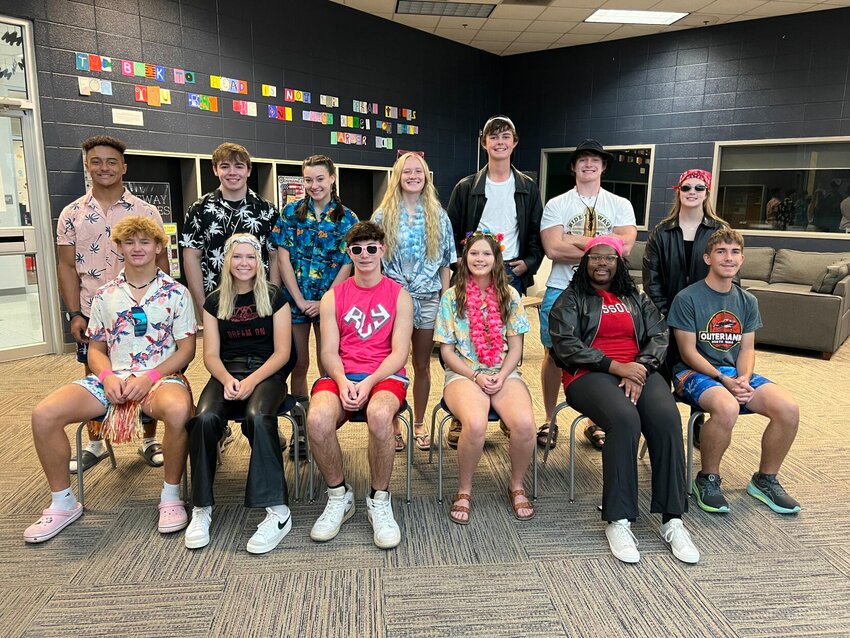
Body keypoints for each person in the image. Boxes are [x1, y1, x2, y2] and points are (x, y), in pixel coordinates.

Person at [25, 216, 196, 543]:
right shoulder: (105, 295)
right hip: (111, 379)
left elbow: (186, 350)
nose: (137, 248)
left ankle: (171, 495)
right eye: (129, 242)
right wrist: (104, 377)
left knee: (178, 411)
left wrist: (149, 377)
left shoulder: (176, 293)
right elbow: (95, 349)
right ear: (118, 247)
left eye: (145, 242)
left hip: (160, 378)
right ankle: (63, 503)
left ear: (159, 246)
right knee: (43, 414)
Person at [548, 236, 698, 564]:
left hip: (638, 370)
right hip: (588, 375)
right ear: (585, 262)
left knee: (666, 418)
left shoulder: (635, 297)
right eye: (595, 258)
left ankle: (673, 520)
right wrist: (618, 367)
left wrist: (640, 369)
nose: (602, 263)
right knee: (625, 419)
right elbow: (565, 346)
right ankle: (619, 520)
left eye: (609, 258)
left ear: (619, 262)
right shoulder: (570, 299)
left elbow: (659, 335)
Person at [667, 228, 801, 515]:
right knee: (727, 407)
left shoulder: (747, 301)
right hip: (691, 373)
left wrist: (742, 378)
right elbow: (688, 352)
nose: (729, 257)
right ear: (708, 258)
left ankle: (765, 479)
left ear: (742, 258)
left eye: (735, 252)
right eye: (721, 251)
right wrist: (724, 380)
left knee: (788, 408)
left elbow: (747, 349)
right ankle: (708, 478)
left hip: (732, 373)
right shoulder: (687, 298)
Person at [57, 135, 168, 473]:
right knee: (97, 373)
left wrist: (165, 308)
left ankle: (149, 439)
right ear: (87, 165)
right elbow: (65, 266)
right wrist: (74, 312)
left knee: (148, 371)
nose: (103, 167)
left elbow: (160, 260)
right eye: (96, 161)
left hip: (141, 312)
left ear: (124, 166)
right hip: (93, 310)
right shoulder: (71, 213)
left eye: (111, 161)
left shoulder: (145, 211)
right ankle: (96, 442)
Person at [183, 234, 296, 554]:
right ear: (226, 261)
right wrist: (228, 379)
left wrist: (251, 381)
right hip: (226, 372)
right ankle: (201, 507)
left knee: (258, 417)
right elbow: (211, 355)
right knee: (203, 418)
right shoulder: (215, 300)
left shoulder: (275, 297)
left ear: (258, 261)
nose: (243, 263)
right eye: (237, 257)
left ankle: (278, 511)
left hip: (267, 373)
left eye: (250, 257)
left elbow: (282, 353)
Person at [306, 221, 413, 550]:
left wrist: (367, 382)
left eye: (371, 248)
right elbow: (327, 352)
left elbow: (399, 353)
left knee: (381, 416)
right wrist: (342, 380)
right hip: (341, 374)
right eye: (357, 249)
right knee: (317, 420)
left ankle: (379, 499)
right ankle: (339, 495)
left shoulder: (399, 295)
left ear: (382, 249)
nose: (364, 254)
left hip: (384, 375)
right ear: (349, 253)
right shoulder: (333, 296)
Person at [445, 115, 543, 449]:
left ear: (514, 143)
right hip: (471, 269)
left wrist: (528, 263)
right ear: (484, 142)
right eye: (492, 137)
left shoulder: (528, 187)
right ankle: (464, 416)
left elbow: (535, 233)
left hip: (510, 272)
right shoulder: (466, 187)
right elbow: (452, 232)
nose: (499, 142)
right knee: (468, 339)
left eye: (506, 137)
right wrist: (462, 265)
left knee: (502, 342)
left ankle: (504, 410)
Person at [538, 139, 637, 451]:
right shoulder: (557, 204)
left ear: (603, 166)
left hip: (604, 295)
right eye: (582, 160)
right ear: (574, 167)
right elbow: (553, 248)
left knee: (600, 353)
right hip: (562, 288)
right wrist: (604, 244)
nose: (588, 164)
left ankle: (596, 421)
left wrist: (575, 239)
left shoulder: (620, 205)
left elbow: (626, 249)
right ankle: (549, 418)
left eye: (595, 160)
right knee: (554, 355)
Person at [434, 229, 536, 524]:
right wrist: (475, 374)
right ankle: (464, 490)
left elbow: (516, 347)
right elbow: (447, 352)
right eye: (474, 253)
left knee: (525, 424)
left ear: (496, 258)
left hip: (504, 371)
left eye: (486, 254)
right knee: (476, 424)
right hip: (463, 373)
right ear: (465, 257)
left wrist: (503, 374)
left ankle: (516, 485)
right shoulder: (451, 298)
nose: (480, 259)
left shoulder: (510, 295)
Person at [270, 155, 359, 446]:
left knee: (327, 363)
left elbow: (348, 263)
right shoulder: (290, 212)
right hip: (294, 299)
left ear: (332, 178)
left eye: (320, 179)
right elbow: (282, 257)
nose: (314, 185)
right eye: (308, 179)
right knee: (298, 362)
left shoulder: (348, 218)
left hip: (331, 302)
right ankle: (300, 433)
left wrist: (325, 301)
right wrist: (297, 297)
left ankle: (323, 428)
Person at [372, 152, 455, 452]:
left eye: (418, 171)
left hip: (429, 297)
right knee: (393, 363)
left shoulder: (438, 214)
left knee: (421, 364)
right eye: (406, 171)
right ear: (397, 175)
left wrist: (447, 300)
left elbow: (446, 262)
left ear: (425, 176)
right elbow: (373, 262)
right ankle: (394, 423)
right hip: (393, 298)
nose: (412, 176)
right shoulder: (383, 216)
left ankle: (418, 423)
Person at [643, 169, 727, 382]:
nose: (692, 192)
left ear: (706, 193)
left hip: (706, 320)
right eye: (686, 187)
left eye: (699, 188)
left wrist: (714, 315)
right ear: (678, 192)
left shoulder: (719, 230)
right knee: (662, 380)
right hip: (667, 318)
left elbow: (729, 276)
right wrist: (668, 316)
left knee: (705, 381)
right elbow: (651, 281)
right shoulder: (661, 232)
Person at [181, 142, 278, 313]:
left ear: (248, 170)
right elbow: (191, 258)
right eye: (225, 166)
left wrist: (274, 301)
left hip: (260, 304)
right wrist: (202, 305)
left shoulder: (267, 210)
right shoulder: (199, 209)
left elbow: (274, 257)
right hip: (217, 303)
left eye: (239, 166)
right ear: (215, 170)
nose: (232, 172)